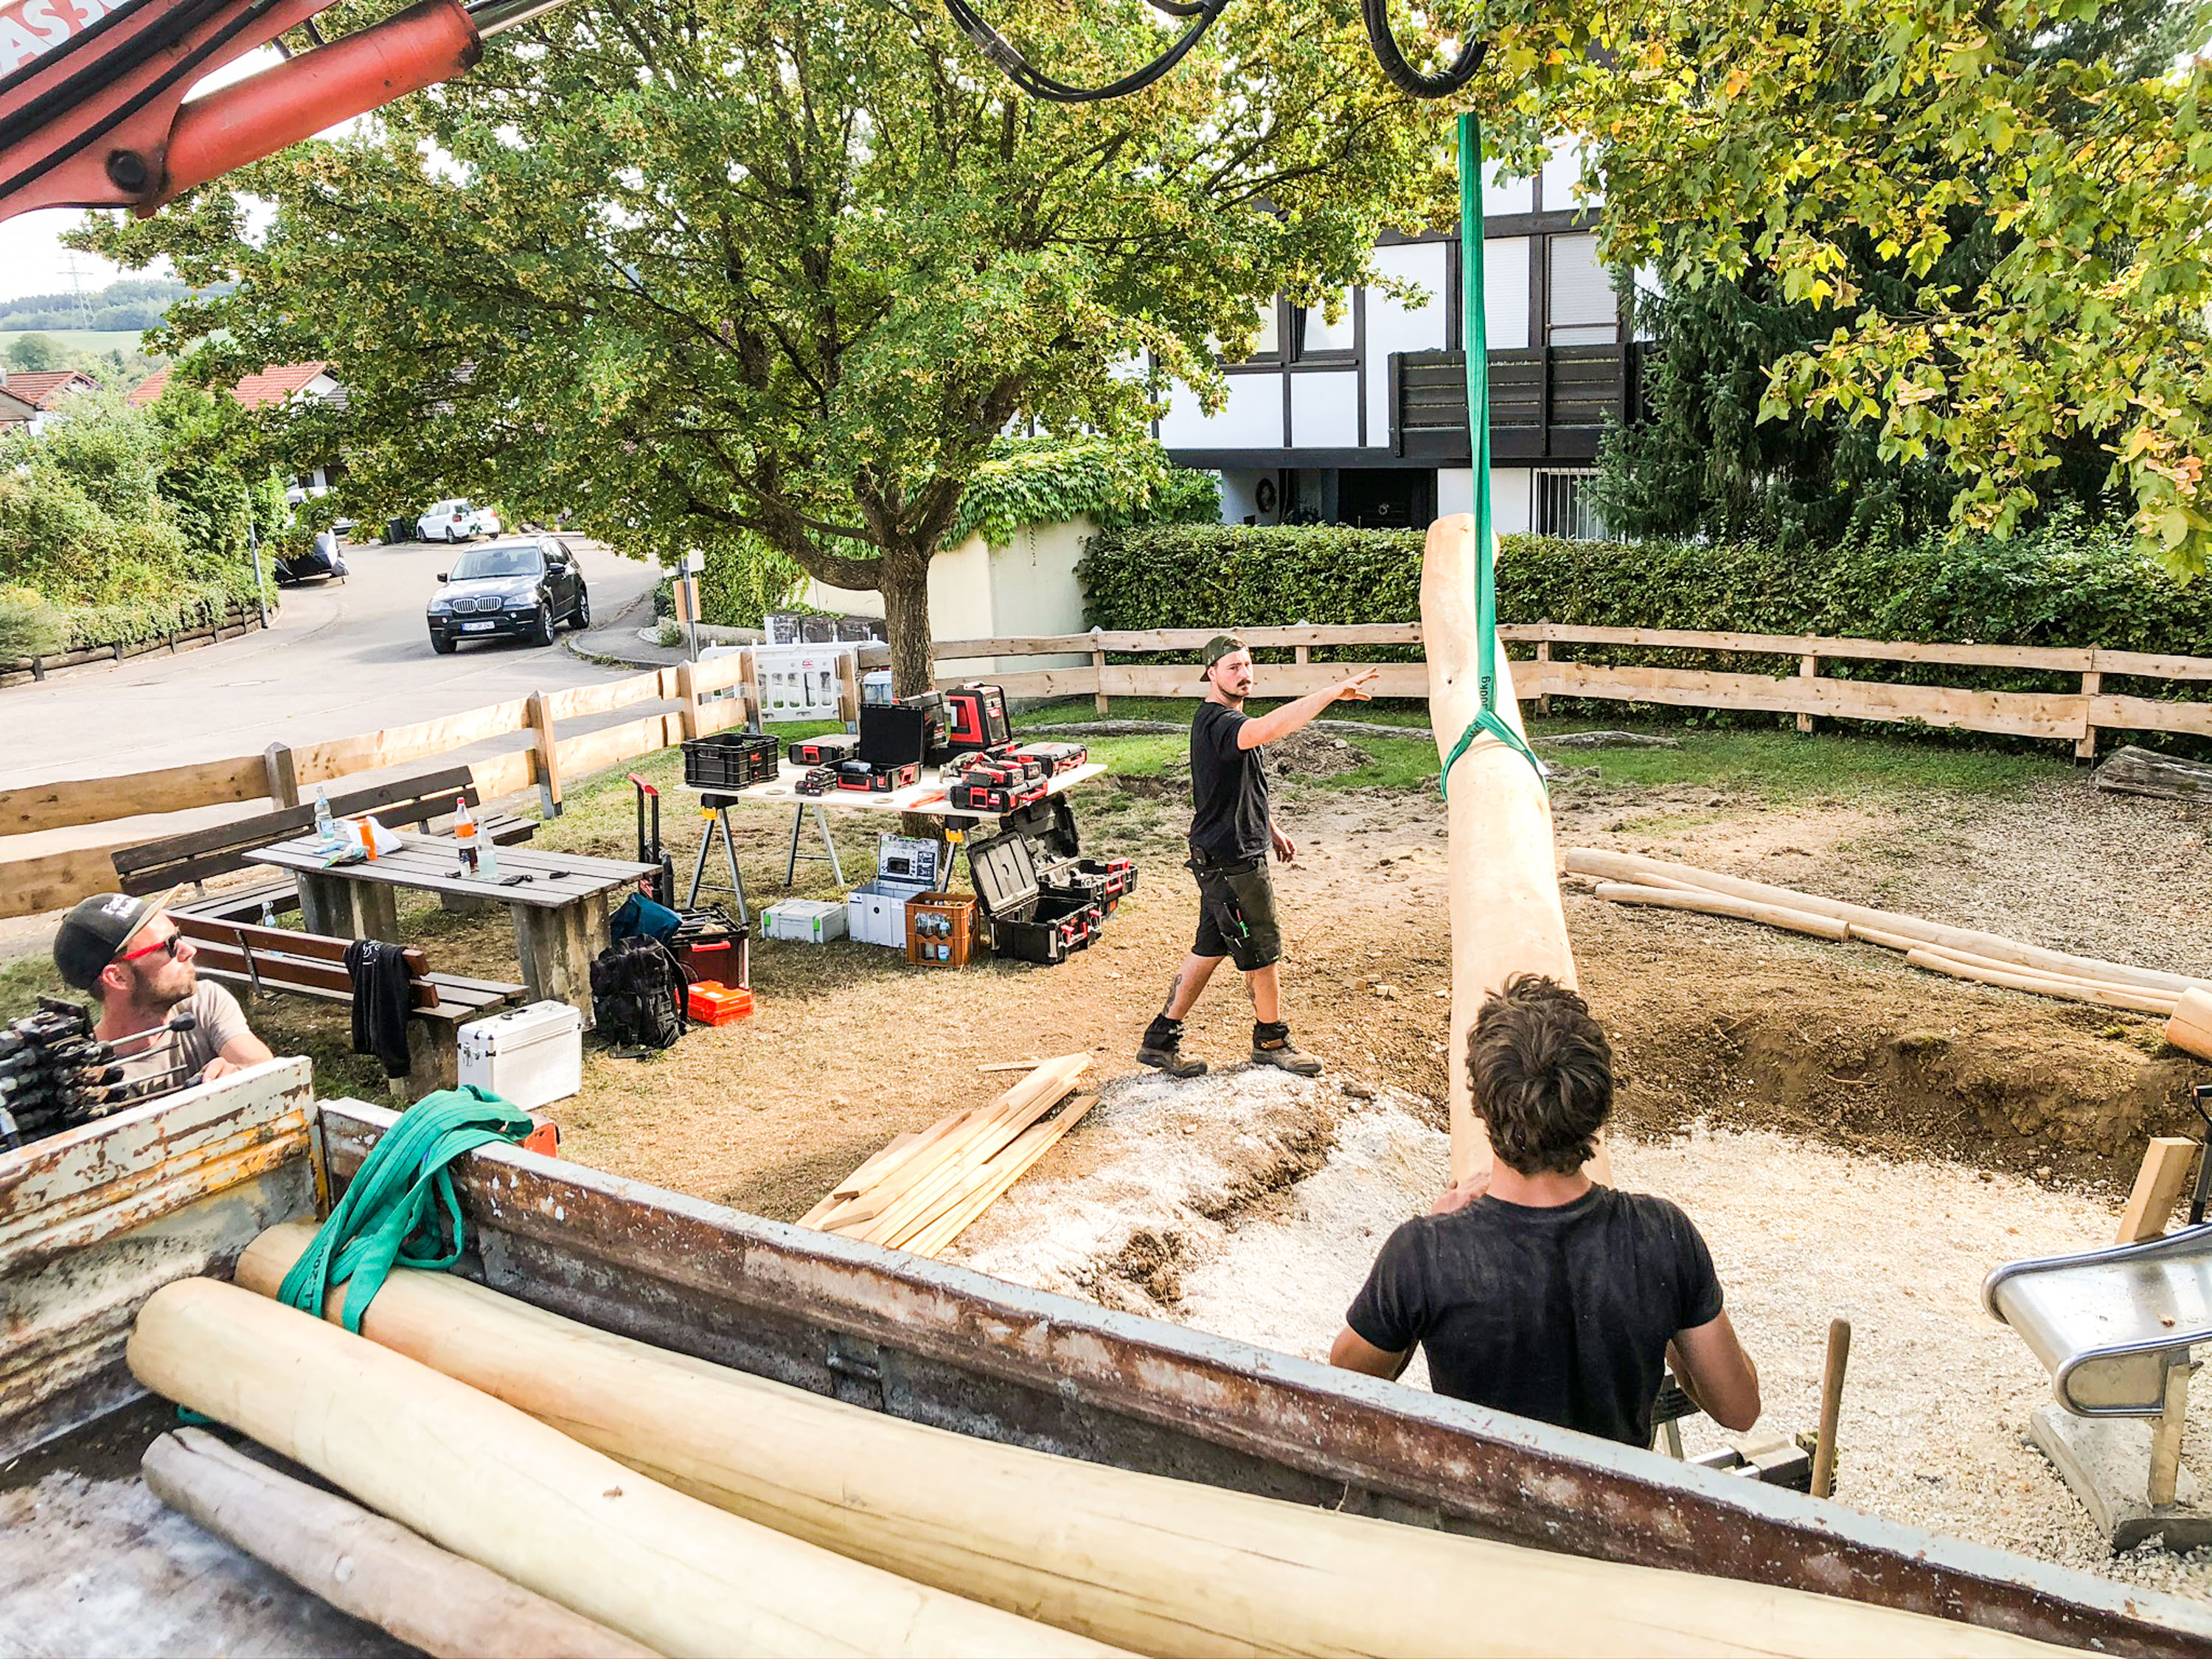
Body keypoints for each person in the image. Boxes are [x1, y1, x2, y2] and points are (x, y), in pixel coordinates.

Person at [1328, 974, 1759, 1448]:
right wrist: (1671, 1316)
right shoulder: (1663, 1235)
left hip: (1478, 1516)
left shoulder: (1425, 1252)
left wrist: (1434, 1241)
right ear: (1598, 1107)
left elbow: (1344, 1384)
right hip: (1616, 1516)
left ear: (1483, 1108)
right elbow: (1739, 1408)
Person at [1136, 633, 1380, 1079]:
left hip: (1223, 853)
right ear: (1211, 673)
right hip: (1232, 861)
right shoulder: (1220, 723)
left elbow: (1236, 788)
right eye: (1232, 667)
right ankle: (1272, 1041)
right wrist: (1328, 693)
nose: (1244, 674)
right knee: (1262, 951)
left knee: (1209, 948)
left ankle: (1159, 1042)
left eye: (1247, 665)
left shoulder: (1226, 720)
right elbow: (1269, 728)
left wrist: (1270, 827)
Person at [53, 891, 274, 1087]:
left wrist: (236, 1073)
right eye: (169, 946)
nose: (189, 950)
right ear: (118, 977)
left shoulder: (203, 1002)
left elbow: (266, 1070)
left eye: (178, 936)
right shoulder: (87, 1080)